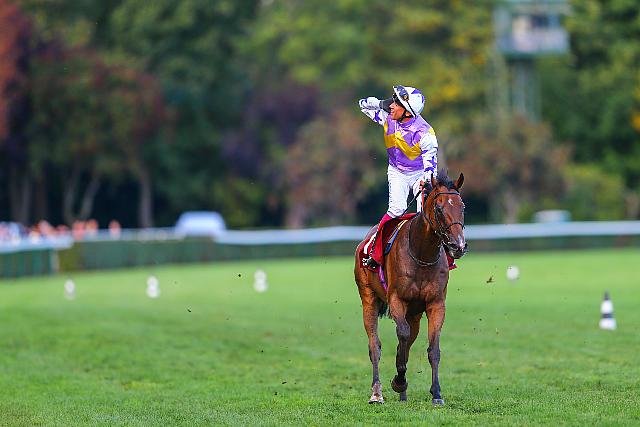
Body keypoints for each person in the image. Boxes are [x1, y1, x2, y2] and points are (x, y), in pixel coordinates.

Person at [358, 84, 438, 269]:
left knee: (425, 214)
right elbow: (362, 105)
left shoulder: (425, 133)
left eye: (397, 103)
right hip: (397, 172)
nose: (392, 106)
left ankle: (446, 257)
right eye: (392, 101)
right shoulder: (388, 117)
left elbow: (430, 164)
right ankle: (375, 253)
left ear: (408, 112)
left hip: (420, 173)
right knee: (396, 210)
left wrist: (426, 182)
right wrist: (382, 103)